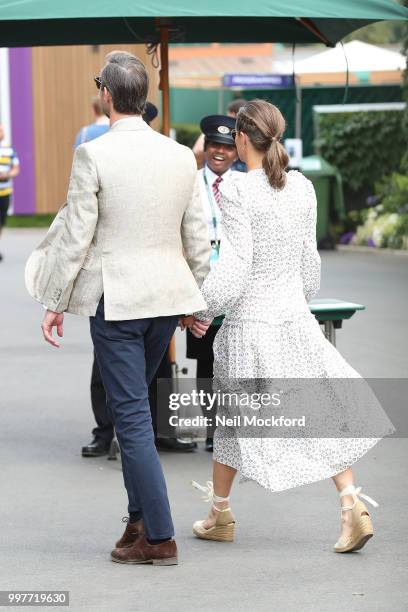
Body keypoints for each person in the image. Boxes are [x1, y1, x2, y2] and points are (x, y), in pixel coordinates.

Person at [183, 99, 394, 553]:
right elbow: (309, 266)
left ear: (241, 137)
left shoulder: (237, 190)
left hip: (250, 326)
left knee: (235, 420)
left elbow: (235, 269)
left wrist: (200, 310)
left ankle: (222, 513)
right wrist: (296, 305)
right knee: (311, 412)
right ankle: (347, 503)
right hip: (294, 318)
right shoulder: (301, 187)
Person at [26, 50, 211, 566]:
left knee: (130, 416)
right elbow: (195, 236)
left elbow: (76, 237)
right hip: (167, 299)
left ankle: (159, 535)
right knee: (134, 411)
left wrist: (54, 301)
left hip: (119, 301)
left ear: (107, 95)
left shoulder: (94, 154)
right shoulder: (178, 155)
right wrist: (199, 302)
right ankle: (138, 519)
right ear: (143, 98)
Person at [80, 100, 197, 457]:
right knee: (106, 366)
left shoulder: (167, 155)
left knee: (159, 366)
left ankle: (157, 430)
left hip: (157, 281)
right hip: (115, 279)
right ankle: (106, 432)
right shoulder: (95, 147)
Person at [186, 114, 240, 452]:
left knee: (237, 358)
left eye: (227, 147)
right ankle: (211, 430)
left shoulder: (246, 185)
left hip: (236, 285)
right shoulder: (189, 183)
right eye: (214, 145)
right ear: (204, 147)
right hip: (203, 285)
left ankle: (236, 428)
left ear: (237, 152)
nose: (220, 152)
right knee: (206, 360)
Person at [192, 98, 247, 170]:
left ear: (232, 113)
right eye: (216, 145)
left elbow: (197, 151)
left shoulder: (214, 128)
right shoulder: (247, 134)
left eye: (228, 147)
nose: (221, 150)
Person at [0, 125, 20, 261]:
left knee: (1, 222)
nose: (2, 133)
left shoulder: (9, 150)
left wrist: (7, 174)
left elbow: (16, 169)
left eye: (2, 130)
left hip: (5, 192)